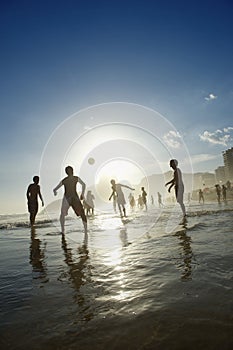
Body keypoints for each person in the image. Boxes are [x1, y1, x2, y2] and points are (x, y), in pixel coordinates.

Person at [53, 166, 87, 234]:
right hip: (69, 198)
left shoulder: (73, 178)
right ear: (68, 172)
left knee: (82, 213)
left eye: (70, 171)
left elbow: (84, 184)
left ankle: (85, 229)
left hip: (72, 198)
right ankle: (63, 230)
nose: (70, 172)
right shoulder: (67, 180)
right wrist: (55, 191)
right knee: (63, 214)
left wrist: (82, 194)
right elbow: (55, 188)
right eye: (69, 171)